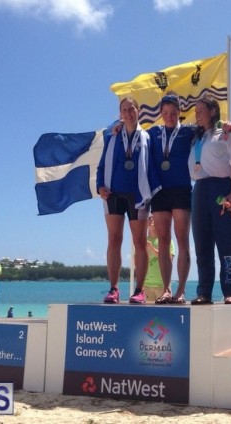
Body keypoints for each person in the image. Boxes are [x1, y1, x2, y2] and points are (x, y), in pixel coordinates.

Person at [97, 96, 156, 304]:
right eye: (124, 110)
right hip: (113, 193)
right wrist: (99, 186)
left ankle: (139, 290)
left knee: (140, 242)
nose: (128, 113)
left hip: (138, 195)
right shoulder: (111, 137)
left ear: (139, 111)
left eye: (132, 109)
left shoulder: (148, 137)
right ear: (119, 114)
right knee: (114, 239)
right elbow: (102, 165)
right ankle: (113, 289)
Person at [188, 95, 231, 305]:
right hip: (199, 189)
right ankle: (204, 292)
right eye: (196, 111)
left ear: (213, 111)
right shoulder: (195, 136)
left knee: (226, 243)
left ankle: (230, 291)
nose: (197, 114)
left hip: (222, 188)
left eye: (201, 110)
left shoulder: (227, 132)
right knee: (202, 245)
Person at [146, 94, 197, 304]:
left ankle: (181, 290)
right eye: (165, 113)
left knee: (182, 240)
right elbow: (129, 130)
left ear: (179, 113)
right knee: (164, 240)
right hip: (159, 191)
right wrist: (116, 126)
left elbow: (212, 127)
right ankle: (166, 289)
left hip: (182, 189)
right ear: (160, 114)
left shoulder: (188, 131)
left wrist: (226, 125)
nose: (169, 117)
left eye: (173, 113)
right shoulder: (152, 132)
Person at [144, 214, 175, 302]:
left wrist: (152, 249)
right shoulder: (142, 240)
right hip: (146, 285)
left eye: (152, 217)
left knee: (164, 315)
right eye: (148, 218)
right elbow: (137, 262)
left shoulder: (166, 240)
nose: (150, 219)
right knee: (147, 315)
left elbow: (169, 259)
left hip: (162, 285)